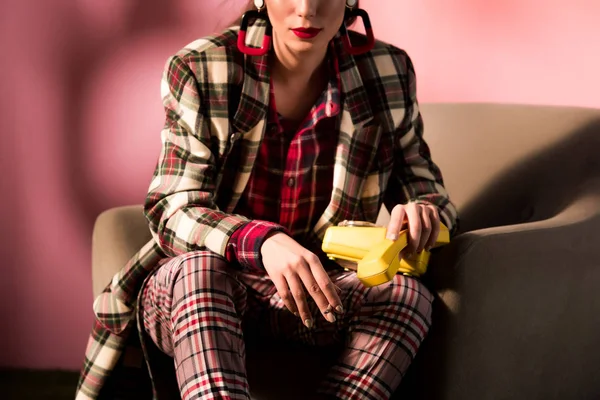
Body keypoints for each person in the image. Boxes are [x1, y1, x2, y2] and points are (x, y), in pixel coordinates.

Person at [76, 0, 459, 399]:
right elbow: (171, 206)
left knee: (406, 295)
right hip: (204, 288)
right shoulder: (200, 67)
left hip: (320, 293)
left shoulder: (388, 70)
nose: (306, 9)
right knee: (199, 272)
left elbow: (433, 197)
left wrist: (424, 215)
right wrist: (261, 242)